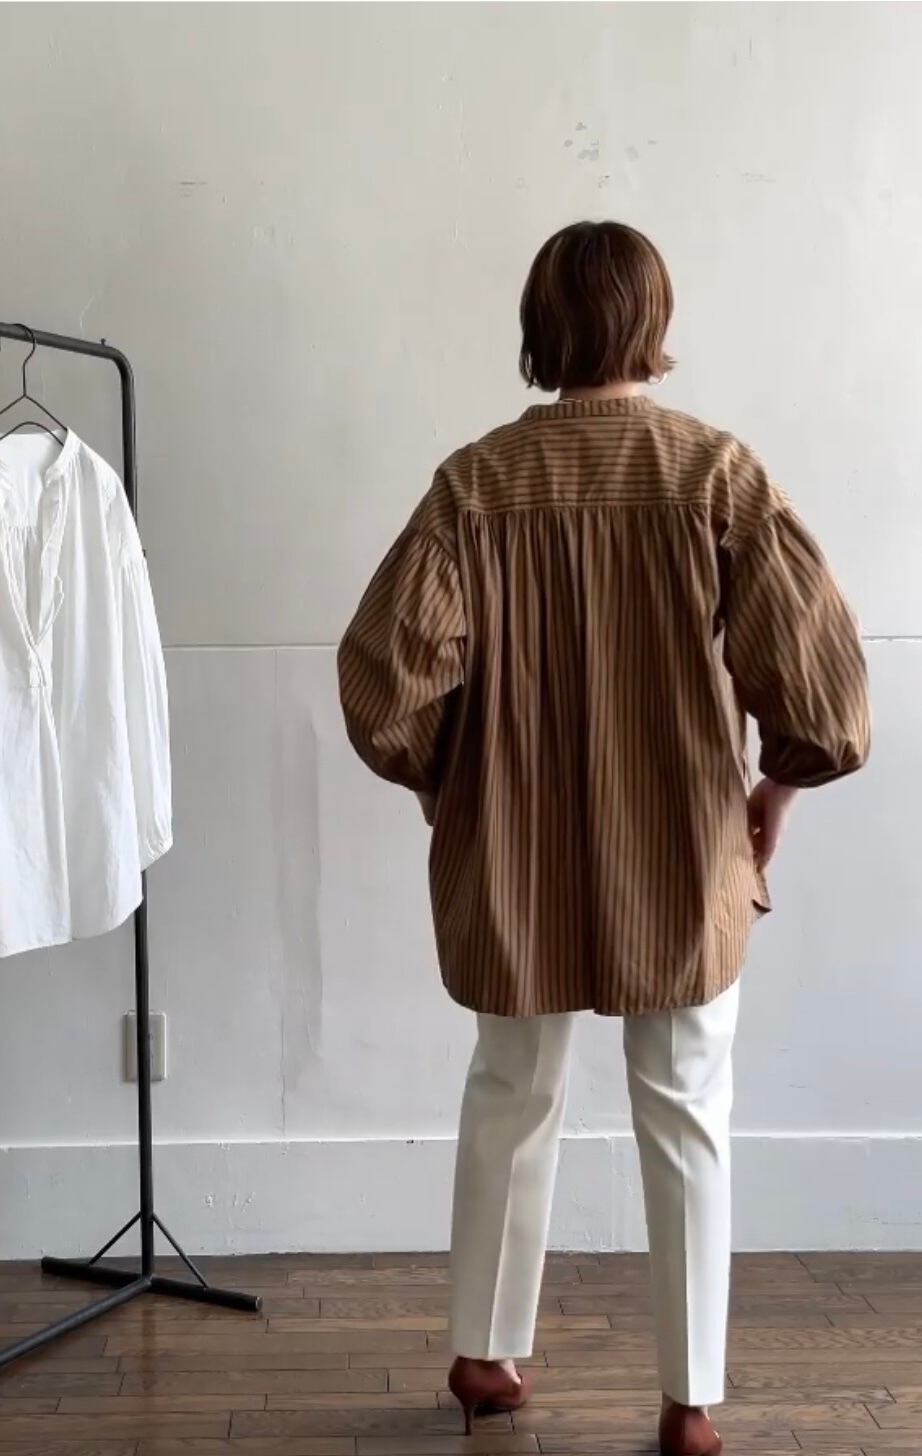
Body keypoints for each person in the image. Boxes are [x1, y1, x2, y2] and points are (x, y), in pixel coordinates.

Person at [337, 220, 870, 1456]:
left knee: (509, 1089)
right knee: (685, 1106)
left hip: (512, 852)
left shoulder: (473, 486)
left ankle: (484, 1352)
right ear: (653, 321)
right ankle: (690, 1400)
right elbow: (822, 687)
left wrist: (447, 784)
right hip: (681, 847)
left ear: (541, 327)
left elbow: (383, 681)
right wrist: (775, 793)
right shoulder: (715, 476)